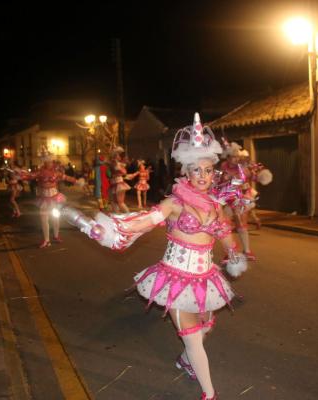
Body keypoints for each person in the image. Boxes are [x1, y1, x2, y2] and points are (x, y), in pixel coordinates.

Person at [69, 113, 247, 399]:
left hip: (205, 278)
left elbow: (225, 234)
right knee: (193, 339)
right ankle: (209, 394)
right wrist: (112, 229)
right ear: (186, 173)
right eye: (196, 171)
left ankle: (185, 361)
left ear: (214, 172)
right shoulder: (174, 202)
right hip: (175, 278)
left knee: (203, 330)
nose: (202, 176)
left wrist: (235, 253)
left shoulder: (215, 205)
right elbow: (147, 219)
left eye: (207, 170)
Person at [33, 153, 79, 248]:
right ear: (44, 163)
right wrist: (19, 174)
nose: (50, 163)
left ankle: (56, 235)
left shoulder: (56, 172)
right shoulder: (39, 172)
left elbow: (66, 177)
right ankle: (46, 240)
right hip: (44, 199)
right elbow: (30, 176)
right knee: (44, 219)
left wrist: (77, 181)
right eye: (48, 162)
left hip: (54, 198)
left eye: (51, 162)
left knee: (55, 217)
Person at [109, 146, 132, 213]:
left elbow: (124, 172)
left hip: (118, 184)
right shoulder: (114, 163)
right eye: (118, 155)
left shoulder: (117, 164)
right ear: (116, 155)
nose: (120, 157)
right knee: (115, 202)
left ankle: (128, 216)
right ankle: (117, 217)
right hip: (114, 184)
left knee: (120, 203)